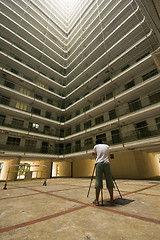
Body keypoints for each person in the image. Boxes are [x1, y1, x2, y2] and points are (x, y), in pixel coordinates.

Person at [92, 139, 115, 206]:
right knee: (109, 180)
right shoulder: (107, 146)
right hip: (106, 163)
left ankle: (97, 200)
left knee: (98, 181)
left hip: (99, 163)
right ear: (102, 142)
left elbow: (94, 153)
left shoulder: (96, 146)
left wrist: (95, 153)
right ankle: (111, 199)